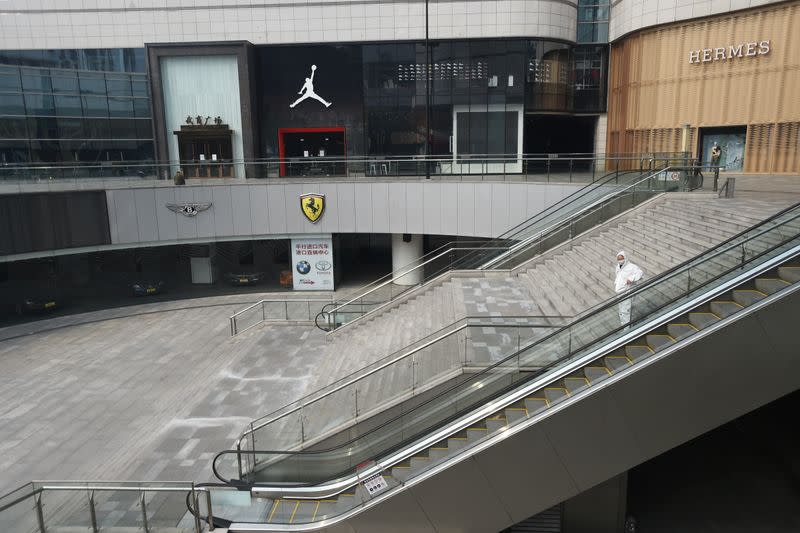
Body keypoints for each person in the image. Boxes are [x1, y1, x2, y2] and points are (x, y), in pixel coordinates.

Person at [615, 251, 643, 326]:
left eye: (621, 258)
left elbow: (640, 273)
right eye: (618, 259)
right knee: (621, 310)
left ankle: (626, 329)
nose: (620, 260)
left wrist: (631, 278)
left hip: (628, 291)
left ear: (625, 258)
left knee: (625, 311)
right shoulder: (618, 266)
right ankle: (624, 325)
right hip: (619, 292)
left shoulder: (631, 267)